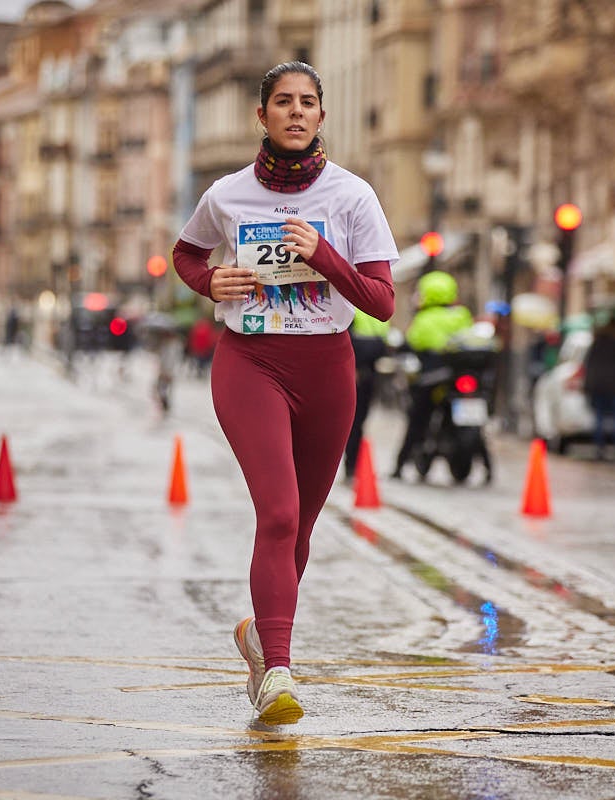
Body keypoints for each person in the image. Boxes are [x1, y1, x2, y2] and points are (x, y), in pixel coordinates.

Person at [171, 61, 398, 724]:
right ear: (262, 116)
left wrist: (326, 256)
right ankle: (277, 672)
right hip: (250, 364)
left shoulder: (352, 197)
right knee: (276, 514)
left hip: (327, 369)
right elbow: (187, 255)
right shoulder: (228, 195)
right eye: (283, 102)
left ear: (321, 118)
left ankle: (257, 637)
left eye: (307, 103)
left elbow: (382, 302)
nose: (296, 113)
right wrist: (211, 282)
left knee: (299, 528)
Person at [390, 270, 474, 480]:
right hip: (461, 377)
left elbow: (411, 344)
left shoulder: (424, 319)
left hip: (432, 380)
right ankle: (488, 468)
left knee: (417, 420)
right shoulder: (462, 315)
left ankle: (400, 466)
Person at [344, 308, 389, 481]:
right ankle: (350, 466)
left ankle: (352, 466)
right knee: (353, 423)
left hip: (366, 373)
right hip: (354, 371)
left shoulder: (372, 308)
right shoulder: (354, 307)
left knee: (357, 422)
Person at [583, 315, 615, 460]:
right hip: (614, 385)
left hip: (598, 385)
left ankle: (600, 448)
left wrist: (588, 386)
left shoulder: (596, 343)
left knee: (600, 418)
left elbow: (589, 365)